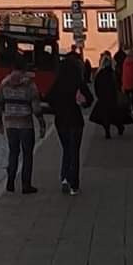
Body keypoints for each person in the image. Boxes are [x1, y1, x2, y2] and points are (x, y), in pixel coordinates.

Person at [44, 53, 93, 195]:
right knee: (74, 151)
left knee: (66, 149)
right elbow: (89, 99)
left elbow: (48, 98)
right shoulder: (78, 82)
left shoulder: (58, 82)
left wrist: (58, 108)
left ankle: (64, 177)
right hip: (75, 120)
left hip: (61, 121)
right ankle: (74, 184)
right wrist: (82, 102)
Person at [0, 63, 43, 193]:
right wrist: (41, 123)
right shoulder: (29, 85)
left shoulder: (4, 83)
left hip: (10, 124)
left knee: (13, 152)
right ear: (24, 70)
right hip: (26, 124)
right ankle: (26, 185)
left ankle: (10, 182)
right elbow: (36, 107)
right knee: (27, 155)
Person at [90, 51, 129, 139]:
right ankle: (119, 127)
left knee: (105, 115)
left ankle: (107, 131)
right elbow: (119, 84)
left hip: (103, 98)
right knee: (115, 114)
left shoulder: (99, 74)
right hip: (113, 97)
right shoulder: (113, 73)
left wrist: (98, 95)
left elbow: (96, 86)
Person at [121, 49, 133, 114]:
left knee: (127, 96)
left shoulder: (125, 61)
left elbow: (123, 71)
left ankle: (127, 108)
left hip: (126, 82)